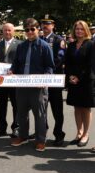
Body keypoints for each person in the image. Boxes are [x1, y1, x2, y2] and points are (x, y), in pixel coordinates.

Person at [10, 18, 55, 152]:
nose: (29, 32)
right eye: (27, 30)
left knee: (40, 115)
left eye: (32, 29)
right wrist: (12, 71)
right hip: (22, 86)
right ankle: (23, 137)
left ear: (38, 30)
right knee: (22, 113)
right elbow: (16, 64)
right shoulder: (21, 46)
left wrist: (44, 80)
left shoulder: (45, 46)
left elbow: (50, 67)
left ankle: (41, 140)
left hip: (38, 88)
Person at [65, 20, 94, 147]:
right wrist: (70, 76)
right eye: (77, 29)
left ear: (86, 30)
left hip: (86, 81)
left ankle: (86, 134)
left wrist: (79, 78)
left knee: (85, 108)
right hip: (73, 81)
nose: (79, 31)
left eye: (81, 29)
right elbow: (68, 63)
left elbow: (91, 65)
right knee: (77, 107)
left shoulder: (91, 45)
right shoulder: (71, 45)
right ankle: (79, 132)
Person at [40, 15, 66, 146]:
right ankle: (42, 131)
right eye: (43, 24)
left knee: (57, 110)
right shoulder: (38, 39)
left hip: (54, 80)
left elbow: (59, 58)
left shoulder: (58, 40)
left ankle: (59, 134)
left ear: (53, 26)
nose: (45, 26)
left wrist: (46, 70)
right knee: (41, 109)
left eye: (48, 24)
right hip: (40, 80)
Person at [0, 23, 21, 138]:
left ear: (13, 31)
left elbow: (21, 62)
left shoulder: (20, 45)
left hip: (14, 80)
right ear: (2, 32)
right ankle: (2, 127)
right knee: (1, 105)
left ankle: (16, 127)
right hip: (1, 81)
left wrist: (15, 71)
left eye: (9, 30)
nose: (7, 32)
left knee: (16, 104)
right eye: (5, 30)